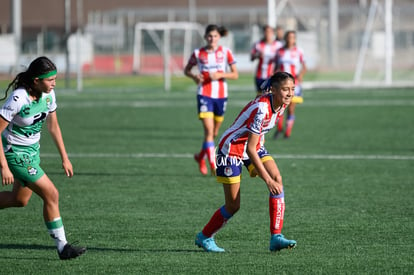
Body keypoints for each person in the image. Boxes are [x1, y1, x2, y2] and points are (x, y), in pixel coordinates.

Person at [195, 72, 297, 252]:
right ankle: (204, 237)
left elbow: (255, 142)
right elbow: (250, 148)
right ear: (273, 90)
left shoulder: (281, 104)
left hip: (253, 147)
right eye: (285, 89)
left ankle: (276, 236)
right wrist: (267, 180)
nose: (289, 93)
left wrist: (267, 174)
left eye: (292, 89)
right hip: (231, 150)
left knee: (278, 179)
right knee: (233, 205)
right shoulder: (262, 109)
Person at [0, 56, 86, 260]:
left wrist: (65, 157)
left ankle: (62, 246)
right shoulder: (18, 98)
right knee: (51, 194)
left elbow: (53, 127)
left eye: (55, 79)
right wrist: (3, 165)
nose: (54, 83)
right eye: (50, 80)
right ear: (36, 80)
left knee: (18, 200)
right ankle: (62, 247)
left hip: (32, 153)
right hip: (15, 155)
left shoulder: (49, 95)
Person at [184, 24, 239, 176]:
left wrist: (221, 75)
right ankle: (213, 165)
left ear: (219, 37)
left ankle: (200, 157)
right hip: (204, 94)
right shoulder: (198, 53)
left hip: (221, 96)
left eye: (215, 36)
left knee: (214, 133)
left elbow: (235, 75)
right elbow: (186, 70)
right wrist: (194, 76)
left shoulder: (226, 52)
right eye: (209, 36)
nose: (212, 39)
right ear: (205, 37)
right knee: (208, 131)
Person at [273, 30, 307, 139]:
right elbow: (276, 67)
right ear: (285, 38)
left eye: (292, 37)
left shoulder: (299, 51)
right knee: (280, 106)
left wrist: (301, 75)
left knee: (291, 108)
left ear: (294, 39)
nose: (290, 39)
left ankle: (287, 132)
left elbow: (304, 66)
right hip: (282, 83)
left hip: (294, 83)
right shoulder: (280, 52)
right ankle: (279, 129)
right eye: (288, 37)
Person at [250, 25, 283, 96]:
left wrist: (277, 70)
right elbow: (252, 57)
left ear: (272, 33)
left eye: (269, 32)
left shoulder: (278, 45)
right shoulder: (258, 44)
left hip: (272, 75)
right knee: (259, 96)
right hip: (260, 75)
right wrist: (257, 55)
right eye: (266, 32)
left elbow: (281, 60)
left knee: (271, 96)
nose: (267, 34)